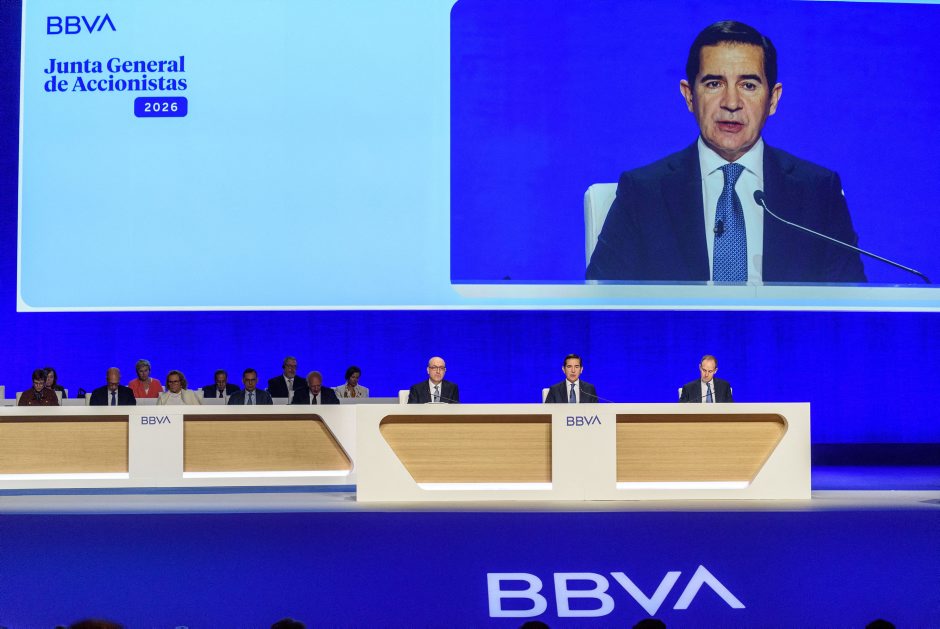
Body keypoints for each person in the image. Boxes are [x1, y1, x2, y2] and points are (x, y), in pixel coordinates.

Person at [586, 20, 865, 284]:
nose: (731, 102)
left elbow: (849, 304)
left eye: (748, 85)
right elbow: (602, 301)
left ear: (773, 99)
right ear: (689, 96)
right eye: (714, 84)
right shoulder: (643, 193)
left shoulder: (818, 192)